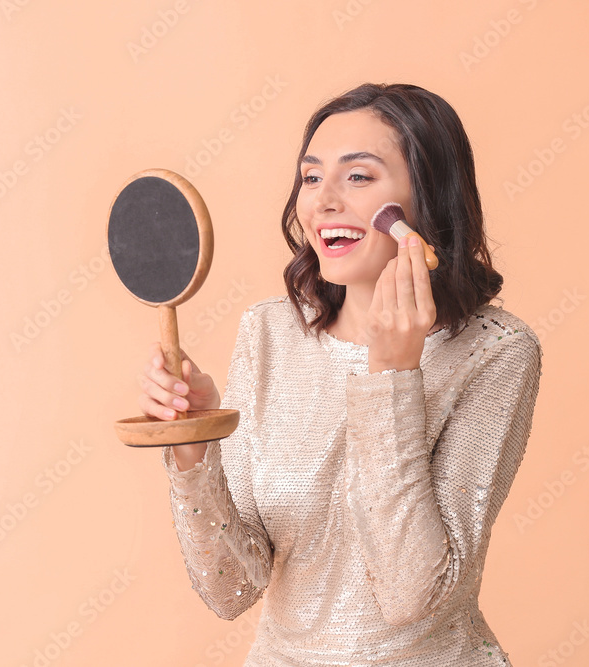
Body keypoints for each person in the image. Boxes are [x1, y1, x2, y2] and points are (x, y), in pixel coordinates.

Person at [137, 82, 543, 666]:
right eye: (311, 177)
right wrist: (195, 446)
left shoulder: (495, 351)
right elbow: (232, 589)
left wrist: (391, 376)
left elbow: (411, 594)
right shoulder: (270, 332)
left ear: (428, 197)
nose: (323, 201)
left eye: (358, 176)